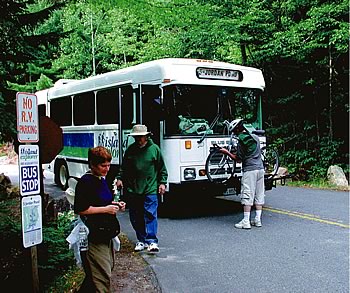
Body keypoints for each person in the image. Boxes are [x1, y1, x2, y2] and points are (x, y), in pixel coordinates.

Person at [74, 146, 126, 292]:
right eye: (103, 165)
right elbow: (81, 209)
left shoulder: (101, 180)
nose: (107, 169)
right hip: (94, 235)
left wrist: (115, 204)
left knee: (98, 274)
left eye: (109, 165)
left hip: (106, 233)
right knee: (102, 275)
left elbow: (102, 201)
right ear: (93, 165)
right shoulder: (86, 182)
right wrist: (106, 209)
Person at [115, 124, 168, 253]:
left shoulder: (154, 149)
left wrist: (162, 183)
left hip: (150, 188)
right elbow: (124, 167)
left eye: (141, 136)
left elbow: (162, 169)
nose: (138, 139)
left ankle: (152, 241)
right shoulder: (131, 150)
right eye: (136, 137)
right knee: (136, 215)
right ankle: (141, 239)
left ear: (146, 136)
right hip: (134, 189)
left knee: (150, 214)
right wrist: (120, 178)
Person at [230, 119, 265, 229]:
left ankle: (246, 221)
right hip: (260, 169)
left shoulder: (241, 141)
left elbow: (238, 159)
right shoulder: (255, 137)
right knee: (259, 194)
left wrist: (226, 152)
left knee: (247, 194)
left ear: (236, 130)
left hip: (250, 170)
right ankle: (257, 220)